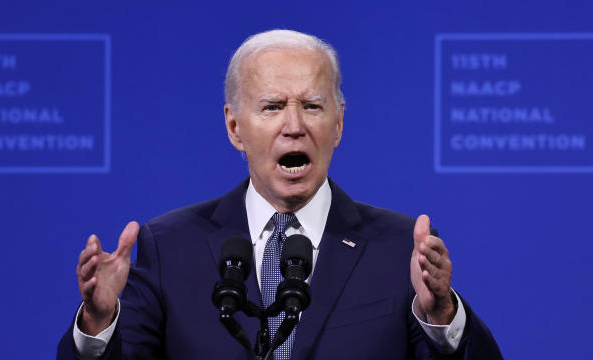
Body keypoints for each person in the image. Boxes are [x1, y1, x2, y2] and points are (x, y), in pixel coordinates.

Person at [58, 29, 502, 359]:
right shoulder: (171, 246)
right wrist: (98, 323)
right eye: (272, 107)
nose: (295, 125)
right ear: (234, 127)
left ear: (339, 122)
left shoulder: (398, 248)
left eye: (312, 106)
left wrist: (442, 317)